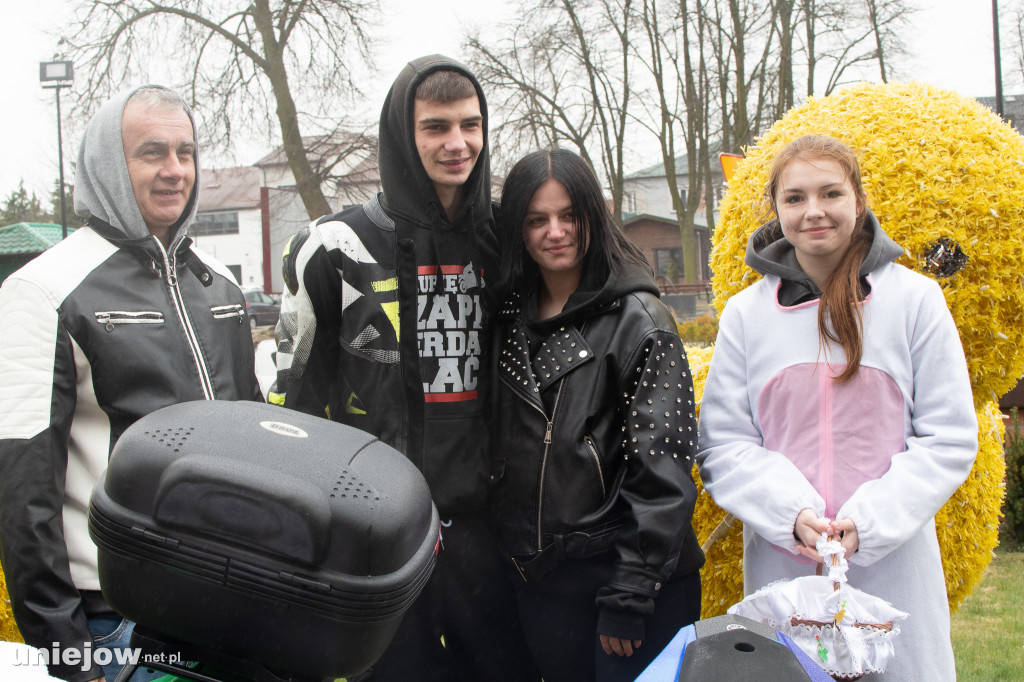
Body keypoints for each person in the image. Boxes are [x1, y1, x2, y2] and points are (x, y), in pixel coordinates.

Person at [272, 55, 535, 682]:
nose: (458, 143)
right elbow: (292, 398)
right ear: (402, 132)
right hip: (375, 527)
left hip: (485, 525)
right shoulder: (334, 246)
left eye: (470, 125)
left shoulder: (506, 237)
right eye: (436, 127)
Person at [0, 85, 262, 682]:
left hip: (229, 606)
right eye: (151, 153)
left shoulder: (219, 284)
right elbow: (23, 482)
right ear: (107, 166)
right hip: (116, 621)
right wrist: (66, 647)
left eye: (186, 152)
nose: (175, 171)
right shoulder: (43, 290)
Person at [696, 134, 978, 681]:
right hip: (786, 576)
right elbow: (725, 444)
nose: (814, 212)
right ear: (776, 208)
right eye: (795, 198)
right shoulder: (746, 316)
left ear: (858, 199)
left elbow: (947, 437)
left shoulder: (915, 302)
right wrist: (791, 515)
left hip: (894, 572)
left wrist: (868, 523)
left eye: (830, 193)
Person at [489, 148, 704, 682]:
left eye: (570, 216)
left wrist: (631, 595)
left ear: (593, 216)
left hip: (630, 587)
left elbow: (663, 472)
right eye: (537, 220)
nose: (555, 232)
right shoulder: (505, 318)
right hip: (543, 585)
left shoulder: (640, 321)